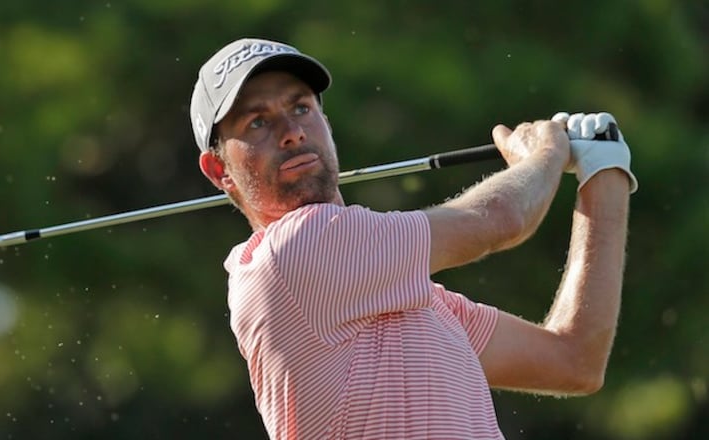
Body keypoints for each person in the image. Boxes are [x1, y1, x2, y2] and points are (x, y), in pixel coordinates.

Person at [189, 38, 637, 439]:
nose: (292, 132)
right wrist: (544, 154)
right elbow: (501, 218)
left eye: (301, 107)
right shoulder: (291, 254)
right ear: (219, 170)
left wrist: (605, 175)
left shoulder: (418, 301)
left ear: (325, 121)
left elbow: (575, 361)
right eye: (256, 123)